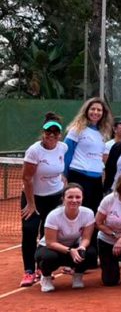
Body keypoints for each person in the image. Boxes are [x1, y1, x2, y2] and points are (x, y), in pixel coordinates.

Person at [20, 114, 67, 288]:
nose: (51, 135)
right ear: (43, 132)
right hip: (33, 198)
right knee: (29, 231)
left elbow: (60, 170)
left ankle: (42, 268)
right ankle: (29, 271)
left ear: (60, 134)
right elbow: (26, 178)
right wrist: (31, 204)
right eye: (48, 131)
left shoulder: (63, 148)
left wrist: (63, 186)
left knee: (48, 234)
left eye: (55, 132)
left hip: (54, 197)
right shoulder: (34, 151)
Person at [35, 183, 97, 292]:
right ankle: (46, 277)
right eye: (70, 197)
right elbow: (50, 243)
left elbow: (86, 238)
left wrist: (81, 248)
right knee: (49, 257)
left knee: (90, 253)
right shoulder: (54, 215)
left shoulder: (88, 213)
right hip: (51, 248)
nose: (74, 200)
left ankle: (78, 274)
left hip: (74, 246)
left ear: (82, 198)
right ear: (63, 199)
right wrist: (70, 250)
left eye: (78, 197)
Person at [63, 96, 113, 213]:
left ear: (103, 113)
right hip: (78, 175)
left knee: (94, 212)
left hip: (96, 179)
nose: (96, 112)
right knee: (78, 211)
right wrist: (64, 175)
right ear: (86, 111)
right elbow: (67, 152)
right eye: (92, 109)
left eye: (99, 110)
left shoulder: (103, 133)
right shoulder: (77, 129)